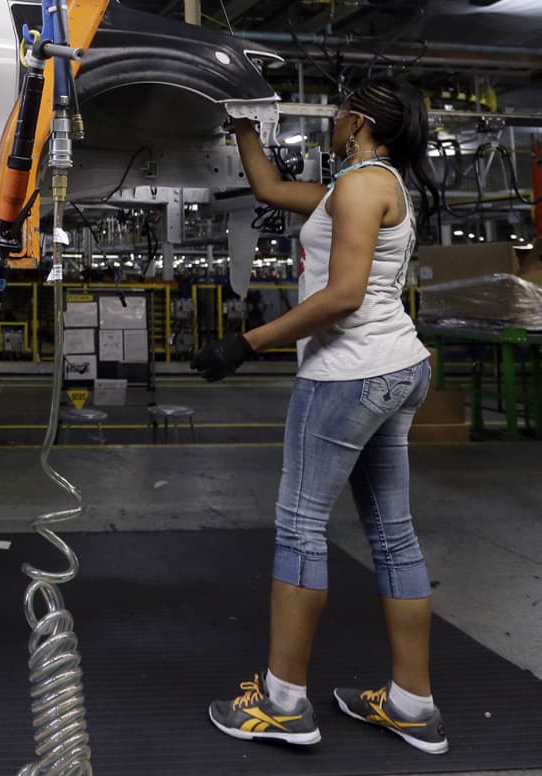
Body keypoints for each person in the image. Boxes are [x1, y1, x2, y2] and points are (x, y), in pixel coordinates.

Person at [191, 77, 449, 755]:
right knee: (393, 537)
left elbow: (341, 296)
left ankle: (282, 703)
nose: (332, 121)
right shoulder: (367, 183)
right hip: (394, 368)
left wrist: (243, 344)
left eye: (339, 113)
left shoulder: (363, 185)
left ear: (358, 121)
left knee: (299, 529)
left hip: (350, 373)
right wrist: (242, 122)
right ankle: (412, 703)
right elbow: (274, 190)